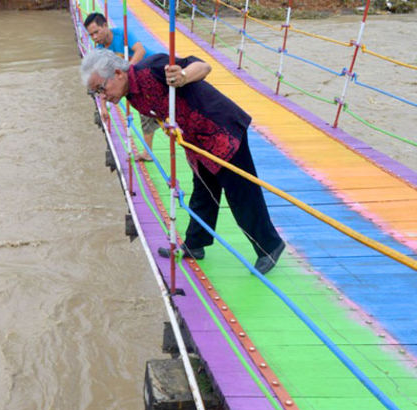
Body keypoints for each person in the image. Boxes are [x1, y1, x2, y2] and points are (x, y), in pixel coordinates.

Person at [80, 48, 286, 274]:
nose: (103, 96)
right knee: (203, 191)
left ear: (118, 73)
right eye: (96, 93)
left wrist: (183, 76)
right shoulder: (131, 95)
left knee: (241, 192)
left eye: (101, 88)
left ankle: (269, 246)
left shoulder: (152, 67)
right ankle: (196, 244)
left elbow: (203, 66)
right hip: (195, 138)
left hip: (220, 128)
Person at [84, 12, 162, 161]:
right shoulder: (100, 51)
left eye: (96, 32)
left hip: (152, 68)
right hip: (136, 79)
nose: (94, 37)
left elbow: (141, 51)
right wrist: (103, 106)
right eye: (91, 35)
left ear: (105, 26)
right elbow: (103, 80)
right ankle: (147, 153)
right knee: (144, 112)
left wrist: (127, 70)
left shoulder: (123, 33)